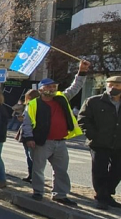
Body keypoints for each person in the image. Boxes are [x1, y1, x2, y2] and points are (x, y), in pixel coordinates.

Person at [21, 60, 90, 206]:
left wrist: (82, 72)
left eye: (53, 86)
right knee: (38, 170)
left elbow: (75, 87)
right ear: (41, 90)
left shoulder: (62, 98)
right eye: (48, 87)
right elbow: (27, 123)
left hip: (60, 141)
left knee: (61, 170)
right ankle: (38, 192)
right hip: (42, 142)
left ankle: (60, 194)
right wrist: (29, 138)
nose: (52, 89)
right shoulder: (34, 104)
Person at [78, 75, 121, 210]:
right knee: (99, 171)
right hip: (99, 142)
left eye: (117, 85)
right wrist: (92, 135)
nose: (113, 88)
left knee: (117, 171)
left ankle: (108, 193)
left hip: (118, 143)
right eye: (110, 85)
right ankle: (101, 197)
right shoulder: (93, 101)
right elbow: (83, 119)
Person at [16, 90, 40, 183]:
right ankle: (32, 174)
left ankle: (32, 175)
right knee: (32, 156)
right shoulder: (38, 105)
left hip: (29, 135)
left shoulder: (30, 105)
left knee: (30, 156)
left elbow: (28, 121)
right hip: (33, 133)